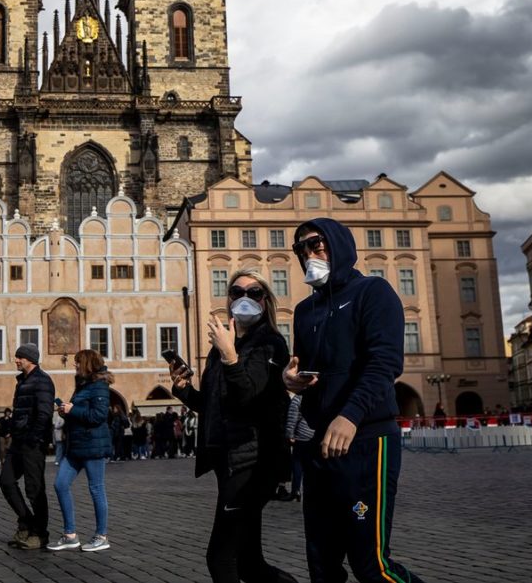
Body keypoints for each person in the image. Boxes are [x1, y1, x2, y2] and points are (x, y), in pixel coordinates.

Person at [283, 218, 425, 583]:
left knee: (372, 566)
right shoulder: (304, 311)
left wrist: (350, 415)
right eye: (300, 249)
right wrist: (293, 381)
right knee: (322, 567)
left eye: (316, 244)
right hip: (318, 446)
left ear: (338, 244)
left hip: (366, 439)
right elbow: (312, 374)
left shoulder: (373, 292)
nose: (308, 254)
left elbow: (385, 363)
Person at [170, 269, 297, 583]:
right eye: (236, 292)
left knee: (221, 559)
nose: (244, 298)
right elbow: (216, 405)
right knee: (250, 563)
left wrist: (230, 356)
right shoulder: (221, 347)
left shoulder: (271, 343)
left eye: (253, 293)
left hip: (254, 461)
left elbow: (248, 395)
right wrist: (184, 389)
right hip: (229, 458)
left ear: (265, 300)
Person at [47, 349, 113, 553]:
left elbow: (99, 416)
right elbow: (80, 414)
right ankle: (70, 535)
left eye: (77, 362)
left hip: (93, 446)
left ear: (86, 363)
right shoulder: (83, 385)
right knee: (60, 484)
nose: (74, 365)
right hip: (75, 446)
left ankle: (101, 536)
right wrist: (66, 411)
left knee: (96, 489)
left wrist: (72, 410)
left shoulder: (100, 386)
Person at [0, 343, 54, 550]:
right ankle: (26, 522)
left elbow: (44, 414)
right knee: (6, 481)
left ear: (30, 359)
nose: (16, 360)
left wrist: (34, 438)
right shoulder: (22, 381)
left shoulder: (42, 381)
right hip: (18, 442)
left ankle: (40, 534)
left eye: (19, 357)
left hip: (32, 443)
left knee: (34, 489)